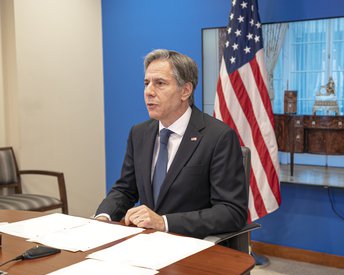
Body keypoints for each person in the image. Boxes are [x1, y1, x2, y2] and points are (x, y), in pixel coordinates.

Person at [95, 49, 248, 238]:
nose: (149, 92)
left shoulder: (218, 137)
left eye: (160, 83)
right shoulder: (139, 133)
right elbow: (125, 189)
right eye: (146, 83)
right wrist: (103, 217)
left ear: (185, 91)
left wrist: (164, 222)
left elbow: (231, 212)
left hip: (194, 247)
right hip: (146, 242)